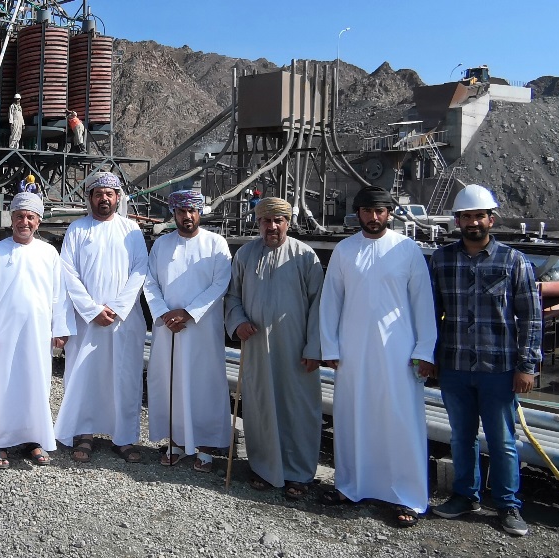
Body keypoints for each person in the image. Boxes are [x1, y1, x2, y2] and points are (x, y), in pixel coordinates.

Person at [318, 186, 437, 528]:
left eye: (380, 211)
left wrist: (424, 350)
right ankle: (350, 487)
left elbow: (423, 303)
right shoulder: (344, 250)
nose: (374, 217)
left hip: (399, 353)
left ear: (389, 213)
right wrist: (330, 347)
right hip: (353, 351)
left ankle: (407, 496)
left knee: (400, 420)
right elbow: (331, 301)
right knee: (353, 417)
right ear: (358, 213)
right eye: (367, 211)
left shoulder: (407, 249)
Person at [429, 184, 542, 537]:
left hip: (499, 368)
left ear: (491, 220)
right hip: (455, 366)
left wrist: (527, 366)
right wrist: (428, 357)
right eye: (466, 216)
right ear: (457, 221)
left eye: (479, 216)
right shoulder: (441, 260)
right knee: (461, 437)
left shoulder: (513, 261)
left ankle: (508, 505)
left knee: (503, 440)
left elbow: (531, 317)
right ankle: (465, 496)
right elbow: (430, 314)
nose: (473, 222)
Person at [225, 197, 324, 499]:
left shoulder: (305, 256)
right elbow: (232, 296)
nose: (272, 226)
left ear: (287, 223)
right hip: (256, 346)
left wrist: (314, 348)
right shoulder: (245, 255)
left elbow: (319, 306)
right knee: (260, 406)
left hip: (296, 349)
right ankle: (264, 468)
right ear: (258, 223)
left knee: (298, 408)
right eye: (266, 221)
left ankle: (299, 473)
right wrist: (238, 322)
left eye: (278, 220)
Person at [0, 193, 75, 469]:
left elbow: (59, 295)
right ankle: (0, 442)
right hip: (3, 335)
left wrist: (60, 329)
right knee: (3, 385)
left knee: (36, 384)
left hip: (38, 334)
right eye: (19, 216)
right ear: (12, 219)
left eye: (30, 217)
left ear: (38, 221)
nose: (24, 222)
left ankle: (34, 440)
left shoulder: (48, 252)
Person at [55, 171, 148, 463]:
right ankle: (84, 433)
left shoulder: (131, 230)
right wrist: (92, 309)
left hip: (124, 321)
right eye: (98, 194)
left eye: (109, 194)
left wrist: (118, 307)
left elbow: (140, 269)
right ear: (90, 198)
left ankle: (124, 437)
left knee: (125, 377)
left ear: (118, 198)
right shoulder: (77, 229)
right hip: (87, 321)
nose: (104, 199)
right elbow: (67, 273)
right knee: (85, 375)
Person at [145, 190, 231, 472]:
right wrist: (164, 313)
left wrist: (189, 313)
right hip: (167, 329)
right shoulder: (161, 245)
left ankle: (205, 446)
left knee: (204, 384)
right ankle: (177, 442)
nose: (187, 216)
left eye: (192, 211)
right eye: (181, 211)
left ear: (199, 212)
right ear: (174, 214)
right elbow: (150, 282)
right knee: (170, 382)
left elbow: (220, 284)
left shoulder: (216, 244)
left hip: (202, 330)